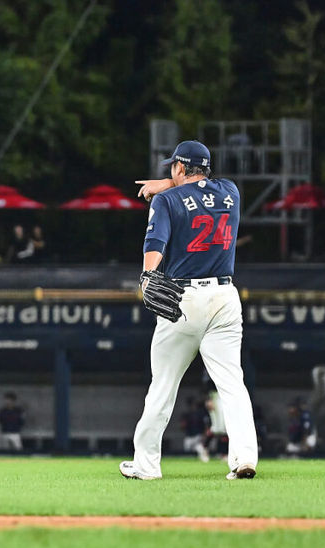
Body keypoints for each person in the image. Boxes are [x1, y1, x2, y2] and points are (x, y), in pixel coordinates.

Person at [119, 140, 258, 480]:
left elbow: (155, 244)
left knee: (163, 385)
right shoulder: (231, 192)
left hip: (183, 297)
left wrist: (148, 277)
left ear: (179, 167)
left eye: (173, 167)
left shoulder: (167, 200)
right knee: (232, 384)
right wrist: (171, 183)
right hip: (225, 296)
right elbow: (200, 188)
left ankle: (147, 465)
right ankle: (244, 458)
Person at [179, 395, 210, 463]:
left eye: (193, 404)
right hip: (189, 436)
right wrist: (183, 424)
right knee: (187, 452)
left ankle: (204, 457)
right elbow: (182, 426)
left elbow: (206, 424)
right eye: (191, 404)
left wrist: (205, 433)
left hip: (198, 435)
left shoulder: (200, 413)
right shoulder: (187, 414)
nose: (192, 406)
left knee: (199, 447)